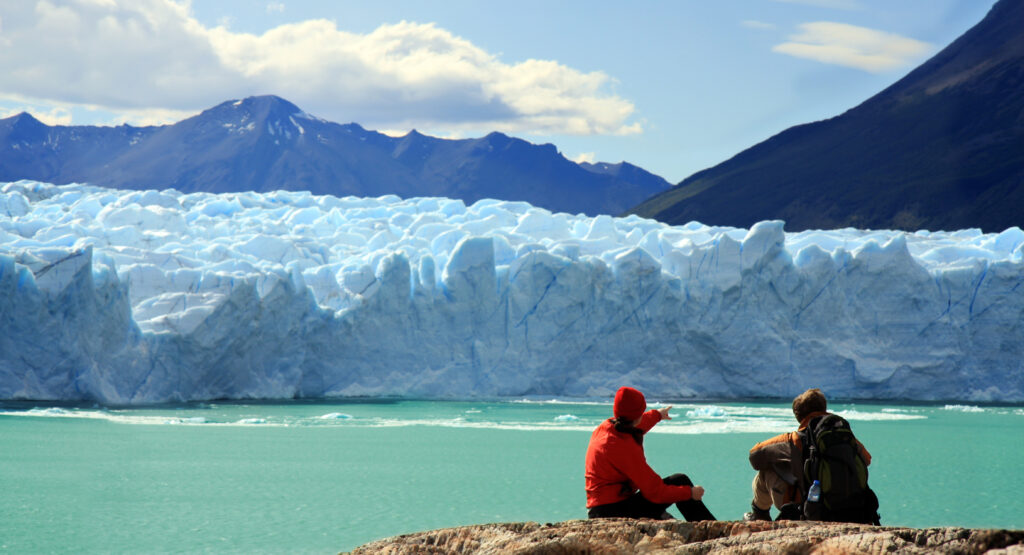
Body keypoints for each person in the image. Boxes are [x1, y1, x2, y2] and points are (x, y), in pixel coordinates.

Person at [585, 386, 716, 521]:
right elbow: (655, 492)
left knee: (677, 485)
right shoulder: (621, 447)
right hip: (611, 513)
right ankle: (715, 532)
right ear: (637, 416)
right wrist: (690, 493)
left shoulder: (608, 428)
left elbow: (639, 424)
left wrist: (658, 414)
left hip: (604, 508)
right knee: (679, 481)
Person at [744, 388, 872, 521]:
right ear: (824, 408)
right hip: (851, 506)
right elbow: (867, 460)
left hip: (809, 508)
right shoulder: (845, 436)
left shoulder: (794, 440)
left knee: (767, 471)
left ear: (798, 415)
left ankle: (760, 515)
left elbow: (755, 456)